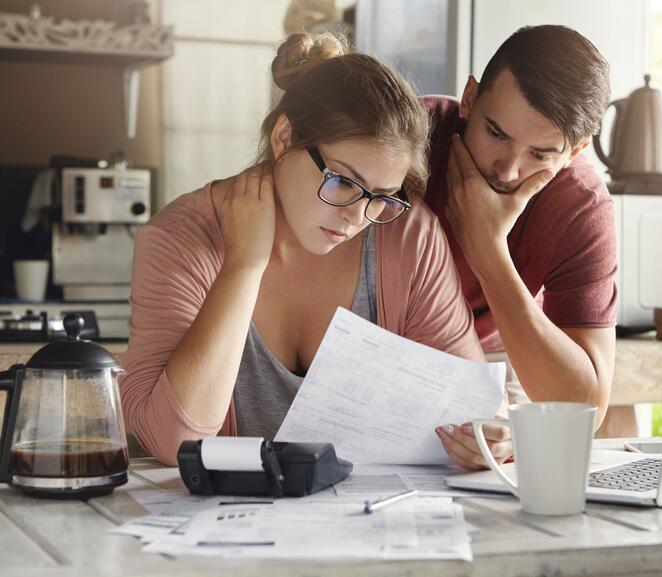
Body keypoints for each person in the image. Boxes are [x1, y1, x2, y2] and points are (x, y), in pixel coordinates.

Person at [120, 32, 510, 468]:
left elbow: (471, 407)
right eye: (342, 181)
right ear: (285, 138)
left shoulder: (408, 235)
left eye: (381, 196)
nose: (356, 217)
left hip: (371, 522)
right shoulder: (180, 239)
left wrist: (491, 437)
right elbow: (174, 440)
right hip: (224, 529)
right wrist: (244, 265)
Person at [427, 25, 618, 469]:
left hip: (497, 351)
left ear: (576, 150)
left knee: (505, 475)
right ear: (470, 98)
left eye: (541, 154)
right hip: (374, 337)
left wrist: (489, 252)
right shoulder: (406, 137)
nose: (509, 170)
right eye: (496, 133)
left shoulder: (581, 206)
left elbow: (583, 410)